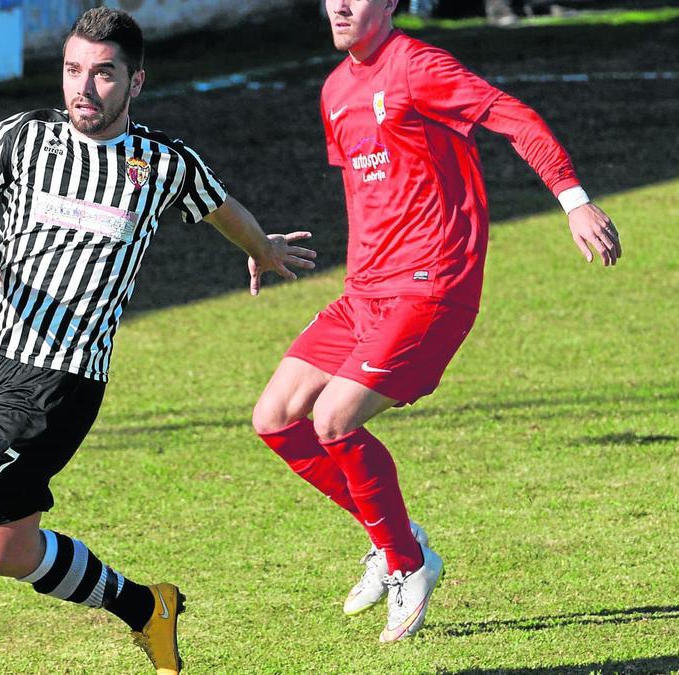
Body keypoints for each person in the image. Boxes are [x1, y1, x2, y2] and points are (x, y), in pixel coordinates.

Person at [0, 8, 315, 674]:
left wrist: (263, 247)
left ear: (134, 83)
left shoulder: (162, 162)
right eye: (72, 71)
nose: (83, 89)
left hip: (59, 384)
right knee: (4, 551)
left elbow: (221, 207)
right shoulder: (22, 139)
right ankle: (147, 608)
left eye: (102, 74)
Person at [252, 0, 621, 644]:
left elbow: (515, 118)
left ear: (389, 3)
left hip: (432, 287)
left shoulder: (420, 66)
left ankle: (408, 563)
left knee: (333, 419)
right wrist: (268, 248)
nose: (338, 5)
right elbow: (372, 194)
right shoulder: (336, 88)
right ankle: (392, 539)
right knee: (275, 417)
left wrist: (574, 200)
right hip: (364, 292)